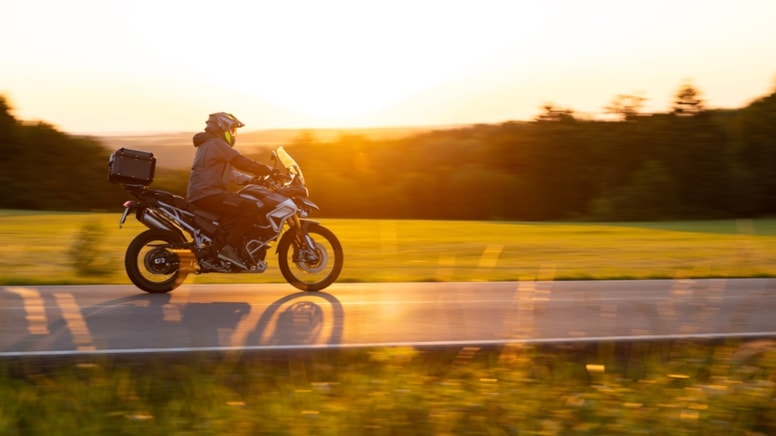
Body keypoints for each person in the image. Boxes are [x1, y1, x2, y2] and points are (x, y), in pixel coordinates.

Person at [186, 112, 272, 261]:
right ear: (222, 126)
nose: (233, 133)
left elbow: (232, 174)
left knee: (238, 209)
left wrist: (254, 180)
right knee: (252, 207)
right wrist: (267, 170)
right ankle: (229, 249)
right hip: (208, 195)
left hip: (204, 194)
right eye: (232, 129)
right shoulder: (216, 144)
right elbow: (240, 161)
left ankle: (223, 245)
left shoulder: (209, 144)